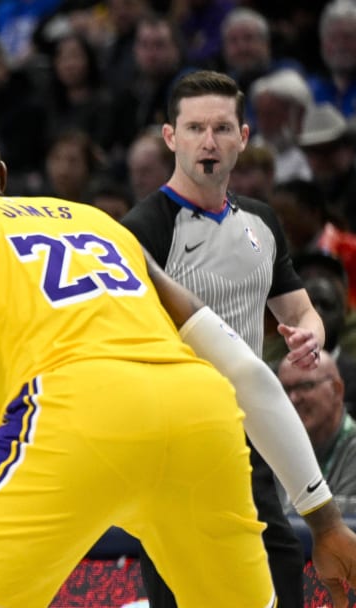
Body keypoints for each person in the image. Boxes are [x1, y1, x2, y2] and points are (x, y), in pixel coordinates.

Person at [0, 108, 356, 607]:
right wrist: (326, 522)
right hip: (201, 416)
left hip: (76, 415)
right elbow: (242, 366)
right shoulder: (101, 225)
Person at [121, 69, 325, 608]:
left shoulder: (262, 221)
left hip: (248, 432)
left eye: (220, 128)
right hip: (175, 442)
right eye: (194, 129)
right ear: (170, 137)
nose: (208, 142)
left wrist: (309, 336)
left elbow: (299, 307)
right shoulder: (143, 229)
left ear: (243, 137)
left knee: (279, 565)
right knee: (180, 586)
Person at [279, 350, 356, 515]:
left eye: (306, 386)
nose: (293, 399)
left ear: (337, 390)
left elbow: (344, 523)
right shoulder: (275, 449)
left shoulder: (353, 450)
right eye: (285, 389)